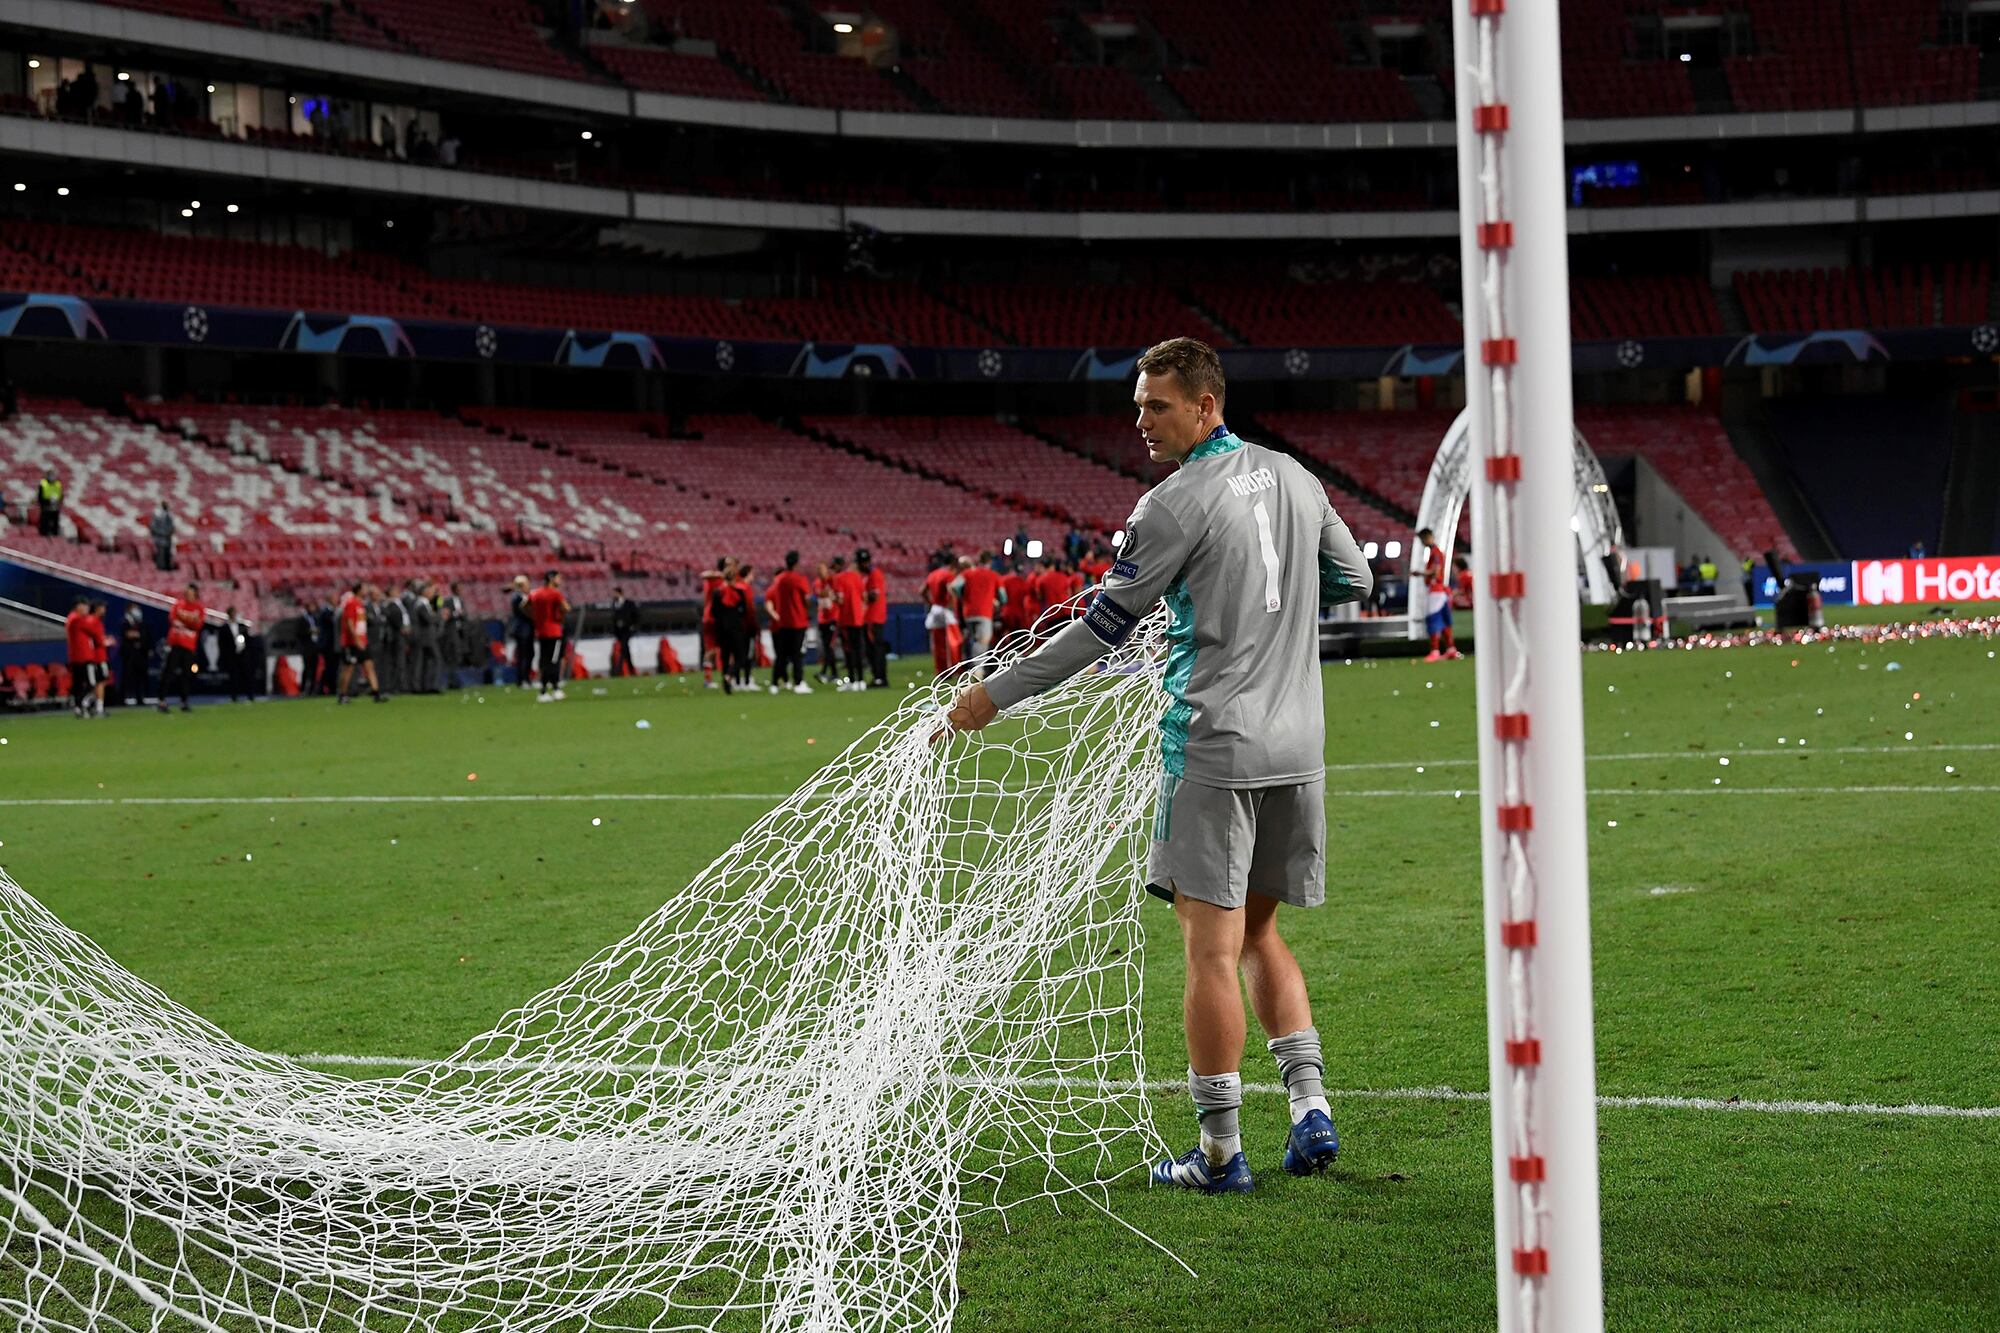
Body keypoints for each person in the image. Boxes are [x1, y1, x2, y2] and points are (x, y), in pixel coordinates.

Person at [941, 337, 1372, 1194]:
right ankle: (1309, 1107)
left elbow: (1100, 631)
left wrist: (993, 694)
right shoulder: (1297, 475)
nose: (1139, 419)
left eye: (1157, 404)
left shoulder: (1170, 505)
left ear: (1206, 405)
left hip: (1213, 747)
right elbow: (1353, 578)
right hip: (1299, 748)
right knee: (1259, 933)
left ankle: (1218, 1154)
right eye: (1138, 403)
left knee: (1209, 951)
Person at [765, 552, 813, 694]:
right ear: (797, 563)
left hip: (783, 622)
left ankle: (774, 683)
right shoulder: (799, 579)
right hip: (798, 621)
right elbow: (806, 599)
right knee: (797, 654)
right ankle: (798, 682)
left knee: (781, 655)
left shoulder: (779, 579)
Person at [950, 552, 1004, 676]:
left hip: (968, 613)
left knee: (973, 640)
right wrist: (997, 604)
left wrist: (962, 597)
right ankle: (978, 669)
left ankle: (971, 667)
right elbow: (1003, 596)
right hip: (985, 612)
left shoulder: (967, 574)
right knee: (982, 641)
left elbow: (954, 587)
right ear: (990, 562)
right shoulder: (994, 575)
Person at [704, 557, 752, 696]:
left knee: (723, 655)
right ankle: (730, 675)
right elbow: (744, 610)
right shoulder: (738, 591)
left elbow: (714, 610)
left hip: (720, 627)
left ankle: (723, 679)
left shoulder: (717, 591)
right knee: (740, 656)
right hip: (735, 627)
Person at [1414, 527, 1461, 662]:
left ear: (1428, 537)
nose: (1422, 542)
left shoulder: (1436, 553)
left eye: (1423, 539)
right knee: (1445, 621)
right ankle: (1451, 649)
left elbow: (1436, 571)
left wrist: (1419, 573)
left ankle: (1434, 651)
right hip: (1440, 591)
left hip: (1436, 591)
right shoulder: (1435, 553)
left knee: (1433, 619)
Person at [335, 581, 386, 704]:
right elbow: (349, 622)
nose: (367, 590)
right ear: (358, 590)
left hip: (362, 641)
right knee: (348, 669)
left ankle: (376, 693)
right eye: (364, 589)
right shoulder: (351, 603)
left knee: (369, 666)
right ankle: (342, 695)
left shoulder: (360, 604)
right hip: (352, 643)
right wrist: (356, 639)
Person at [159, 582, 206, 712]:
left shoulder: (199, 608)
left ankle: (184, 701)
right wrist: (189, 622)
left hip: (189, 645)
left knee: (187, 675)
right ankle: (162, 700)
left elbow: (198, 625)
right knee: (168, 672)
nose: (188, 595)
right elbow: (173, 620)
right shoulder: (178, 604)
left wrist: (184, 621)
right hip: (175, 644)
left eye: (190, 592)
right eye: (187, 592)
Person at [527, 570, 570, 702]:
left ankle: (543, 691)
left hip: (541, 631)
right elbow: (566, 608)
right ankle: (556, 689)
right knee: (554, 661)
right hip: (554, 631)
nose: (560, 581)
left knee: (544, 661)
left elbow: (524, 606)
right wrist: (560, 616)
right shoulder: (555, 594)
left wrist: (535, 617)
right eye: (558, 578)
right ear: (551, 579)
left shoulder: (536, 593)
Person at [829, 554, 867, 691]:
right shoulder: (858, 578)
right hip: (858, 618)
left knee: (849, 650)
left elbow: (840, 599)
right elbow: (864, 597)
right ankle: (861, 680)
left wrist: (832, 597)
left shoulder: (838, 579)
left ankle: (851, 680)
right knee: (858, 649)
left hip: (846, 619)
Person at [922, 555, 961, 677]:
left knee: (938, 643)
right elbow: (950, 590)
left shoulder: (933, 574)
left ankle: (941, 670)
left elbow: (922, 591)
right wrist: (954, 606)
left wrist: (931, 603)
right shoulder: (949, 575)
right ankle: (955, 669)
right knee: (954, 641)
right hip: (946, 610)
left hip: (935, 609)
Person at [857, 548, 889, 689]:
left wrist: (859, 596)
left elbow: (873, 596)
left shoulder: (873, 574)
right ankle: (878, 676)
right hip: (872, 617)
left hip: (872, 616)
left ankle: (879, 677)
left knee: (875, 649)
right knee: (873, 649)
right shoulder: (869, 574)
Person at [64, 597, 95, 719]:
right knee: (90, 683)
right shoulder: (77, 619)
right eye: (85, 606)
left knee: (78, 684)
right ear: (79, 606)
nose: (87, 609)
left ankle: (78, 706)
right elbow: (93, 630)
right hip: (83, 657)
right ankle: (83, 704)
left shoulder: (71, 619)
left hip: (76, 657)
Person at [813, 559, 842, 684]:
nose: (820, 572)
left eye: (822, 569)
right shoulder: (818, 583)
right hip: (822, 619)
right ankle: (831, 673)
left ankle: (828, 672)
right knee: (826, 646)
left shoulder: (833, 580)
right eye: (818, 570)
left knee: (829, 646)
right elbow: (821, 593)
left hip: (833, 618)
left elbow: (836, 594)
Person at [218, 603, 253, 701]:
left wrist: (245, 649)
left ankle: (250, 696)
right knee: (233, 676)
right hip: (231, 655)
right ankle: (234, 696)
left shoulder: (242, 626)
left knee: (246, 675)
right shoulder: (224, 628)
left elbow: (248, 639)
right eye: (232, 613)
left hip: (243, 653)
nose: (234, 615)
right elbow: (222, 643)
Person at [508, 575, 535, 689]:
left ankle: (526, 679)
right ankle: (522, 680)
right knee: (523, 655)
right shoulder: (517, 598)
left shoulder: (524, 596)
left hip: (528, 629)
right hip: (522, 630)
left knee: (529, 654)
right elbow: (524, 613)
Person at [119, 602, 148, 706]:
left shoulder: (139, 622)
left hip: (138, 653)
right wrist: (135, 635)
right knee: (127, 676)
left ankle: (140, 698)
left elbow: (142, 635)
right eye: (135, 608)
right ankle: (122, 698)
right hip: (128, 653)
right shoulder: (124, 621)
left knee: (139, 675)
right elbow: (127, 634)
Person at [85, 600, 110, 715]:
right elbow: (98, 641)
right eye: (103, 607)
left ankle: (87, 702)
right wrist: (107, 642)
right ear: (97, 608)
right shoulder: (93, 621)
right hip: (98, 656)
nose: (104, 610)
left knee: (99, 682)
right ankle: (97, 706)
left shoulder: (93, 621)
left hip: (96, 656)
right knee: (100, 681)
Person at [610, 585, 639, 677]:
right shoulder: (614, 604)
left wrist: (632, 625)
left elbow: (636, 615)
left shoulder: (629, 603)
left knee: (623, 648)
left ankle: (618, 670)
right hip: (619, 631)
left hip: (626, 630)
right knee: (625, 650)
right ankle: (630, 669)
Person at [147, 501, 175, 570]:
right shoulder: (157, 516)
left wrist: (169, 532)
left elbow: (171, 526)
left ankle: (168, 568)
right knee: (161, 555)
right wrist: (163, 533)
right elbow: (153, 528)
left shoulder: (169, 516)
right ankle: (161, 569)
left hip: (168, 539)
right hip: (160, 540)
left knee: (167, 554)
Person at [36, 466, 62, 537]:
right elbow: (39, 497)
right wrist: (48, 501)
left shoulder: (58, 484)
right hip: (46, 508)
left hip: (55, 508)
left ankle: (55, 538)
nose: (52, 476)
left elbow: (61, 495)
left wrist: (57, 501)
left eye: (53, 474)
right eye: (50, 474)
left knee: (55, 526)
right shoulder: (43, 484)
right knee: (44, 525)